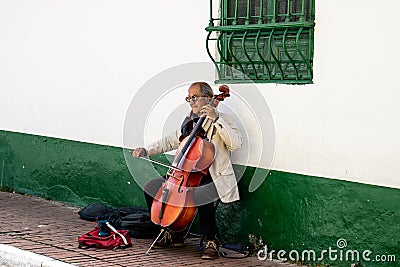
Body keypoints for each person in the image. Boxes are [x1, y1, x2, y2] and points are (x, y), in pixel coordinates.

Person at [132, 82, 242, 260]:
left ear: (208, 98)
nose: (190, 102)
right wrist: (147, 150)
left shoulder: (224, 119)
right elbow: (169, 141)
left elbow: (235, 143)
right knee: (151, 187)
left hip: (212, 175)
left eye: (194, 97)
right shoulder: (189, 122)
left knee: (202, 194)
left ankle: (211, 241)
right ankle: (172, 232)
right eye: (188, 98)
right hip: (184, 175)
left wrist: (216, 120)